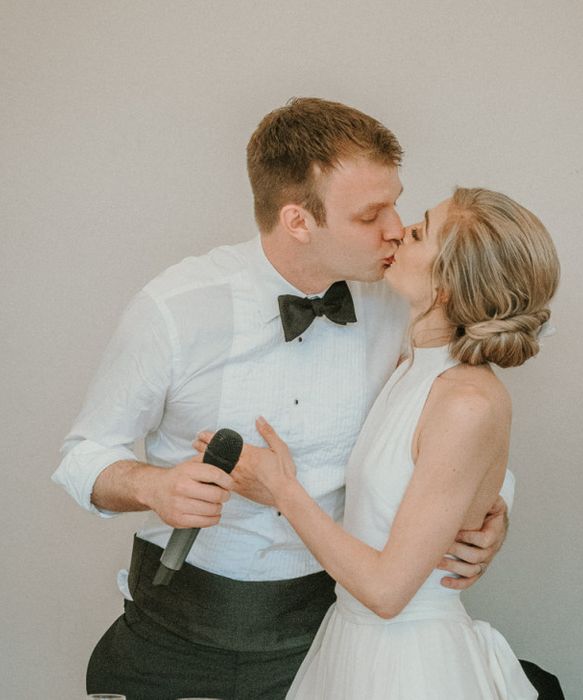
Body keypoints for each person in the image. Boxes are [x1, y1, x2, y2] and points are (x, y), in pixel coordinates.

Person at [52, 98, 513, 700]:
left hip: (323, 636)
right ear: (299, 220)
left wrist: (491, 512)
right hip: (178, 625)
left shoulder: (406, 302)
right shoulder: (175, 308)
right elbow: (82, 453)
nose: (396, 228)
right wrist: (151, 487)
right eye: (371, 213)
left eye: (397, 203)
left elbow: (454, 423)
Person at [221, 187, 560, 699]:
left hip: (409, 665)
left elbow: (386, 591)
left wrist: (282, 491)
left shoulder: (466, 401)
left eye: (420, 232)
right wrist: (495, 505)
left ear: (446, 286)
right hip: (349, 645)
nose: (400, 231)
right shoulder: (411, 364)